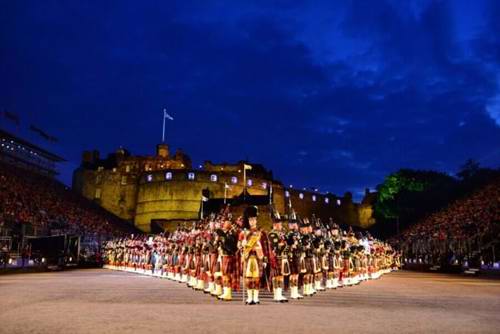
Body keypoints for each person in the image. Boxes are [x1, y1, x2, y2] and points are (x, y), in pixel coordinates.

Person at [239, 206, 267, 305]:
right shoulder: (243, 233)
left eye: (254, 219)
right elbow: (239, 246)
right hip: (247, 258)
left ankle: (256, 298)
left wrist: (265, 260)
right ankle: (249, 298)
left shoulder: (261, 233)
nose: (252, 221)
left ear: (256, 220)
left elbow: (265, 247)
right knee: (248, 278)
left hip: (257, 257)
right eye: (250, 219)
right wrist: (242, 244)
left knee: (256, 278)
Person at [268, 219, 289, 302]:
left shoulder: (280, 234)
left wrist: (284, 243)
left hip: (282, 257)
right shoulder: (272, 234)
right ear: (275, 225)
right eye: (279, 224)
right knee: (276, 276)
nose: (281, 226)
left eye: (281, 224)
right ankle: (276, 294)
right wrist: (283, 243)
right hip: (276, 257)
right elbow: (277, 246)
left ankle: (279, 294)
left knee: (280, 276)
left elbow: (285, 244)